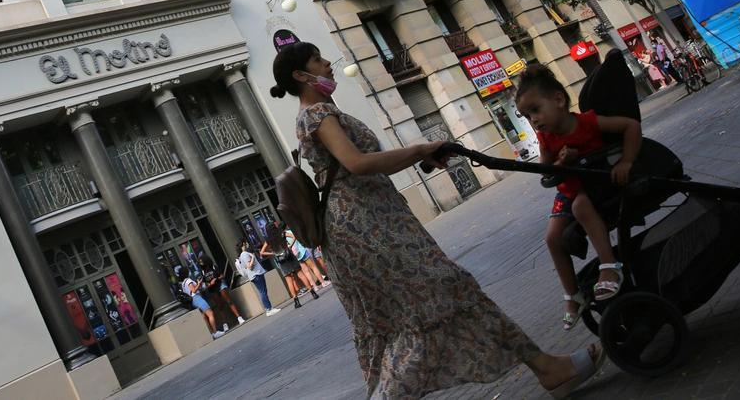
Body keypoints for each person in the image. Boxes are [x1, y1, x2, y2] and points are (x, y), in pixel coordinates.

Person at [272, 42, 605, 399]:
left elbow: (363, 167)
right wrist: (419, 149)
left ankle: (548, 368)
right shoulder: (318, 113)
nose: (327, 65)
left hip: (375, 223)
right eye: (318, 61)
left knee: (442, 298)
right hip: (367, 229)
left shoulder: (318, 113)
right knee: (428, 307)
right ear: (300, 75)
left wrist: (423, 154)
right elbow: (357, 164)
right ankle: (548, 369)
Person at [513, 64, 642, 331]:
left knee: (582, 206)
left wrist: (627, 161)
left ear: (558, 99)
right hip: (569, 190)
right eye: (527, 116)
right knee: (552, 239)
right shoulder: (546, 138)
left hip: (596, 186)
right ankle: (573, 295)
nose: (533, 120)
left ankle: (610, 266)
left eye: (535, 110)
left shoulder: (588, 122)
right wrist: (560, 163)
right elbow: (546, 172)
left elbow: (630, 126)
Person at [260, 222, 318, 308]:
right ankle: (312, 292)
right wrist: (290, 246)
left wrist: (273, 253)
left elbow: (262, 252)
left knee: (289, 281)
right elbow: (294, 236)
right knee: (301, 275)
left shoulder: (268, 240)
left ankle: (296, 301)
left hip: (282, 261)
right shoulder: (281, 233)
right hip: (289, 255)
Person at [175, 265, 223, 339]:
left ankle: (211, 334)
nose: (189, 271)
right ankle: (215, 332)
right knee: (210, 313)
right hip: (197, 298)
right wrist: (199, 284)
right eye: (188, 270)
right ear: (186, 272)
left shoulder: (183, 283)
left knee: (204, 316)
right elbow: (193, 290)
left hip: (193, 301)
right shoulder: (188, 281)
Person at [198, 254, 245, 329]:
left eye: (201, 261)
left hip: (220, 284)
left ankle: (239, 317)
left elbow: (222, 275)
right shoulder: (203, 272)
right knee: (220, 306)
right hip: (212, 289)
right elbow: (203, 284)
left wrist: (216, 279)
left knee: (229, 301)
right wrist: (209, 284)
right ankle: (225, 324)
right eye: (199, 262)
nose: (201, 263)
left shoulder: (213, 267)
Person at [236, 240, 280, 316]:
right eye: (246, 243)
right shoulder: (244, 254)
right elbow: (250, 266)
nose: (247, 244)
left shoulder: (242, 255)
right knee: (263, 292)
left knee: (263, 291)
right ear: (243, 244)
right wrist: (253, 257)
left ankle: (268, 309)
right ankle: (269, 309)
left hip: (255, 275)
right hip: (256, 274)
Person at [283, 224, 329, 288]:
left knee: (306, 271)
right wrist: (291, 245)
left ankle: (315, 287)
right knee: (313, 267)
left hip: (295, 254)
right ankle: (323, 282)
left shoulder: (280, 237)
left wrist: (290, 247)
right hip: (302, 251)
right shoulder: (289, 232)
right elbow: (295, 237)